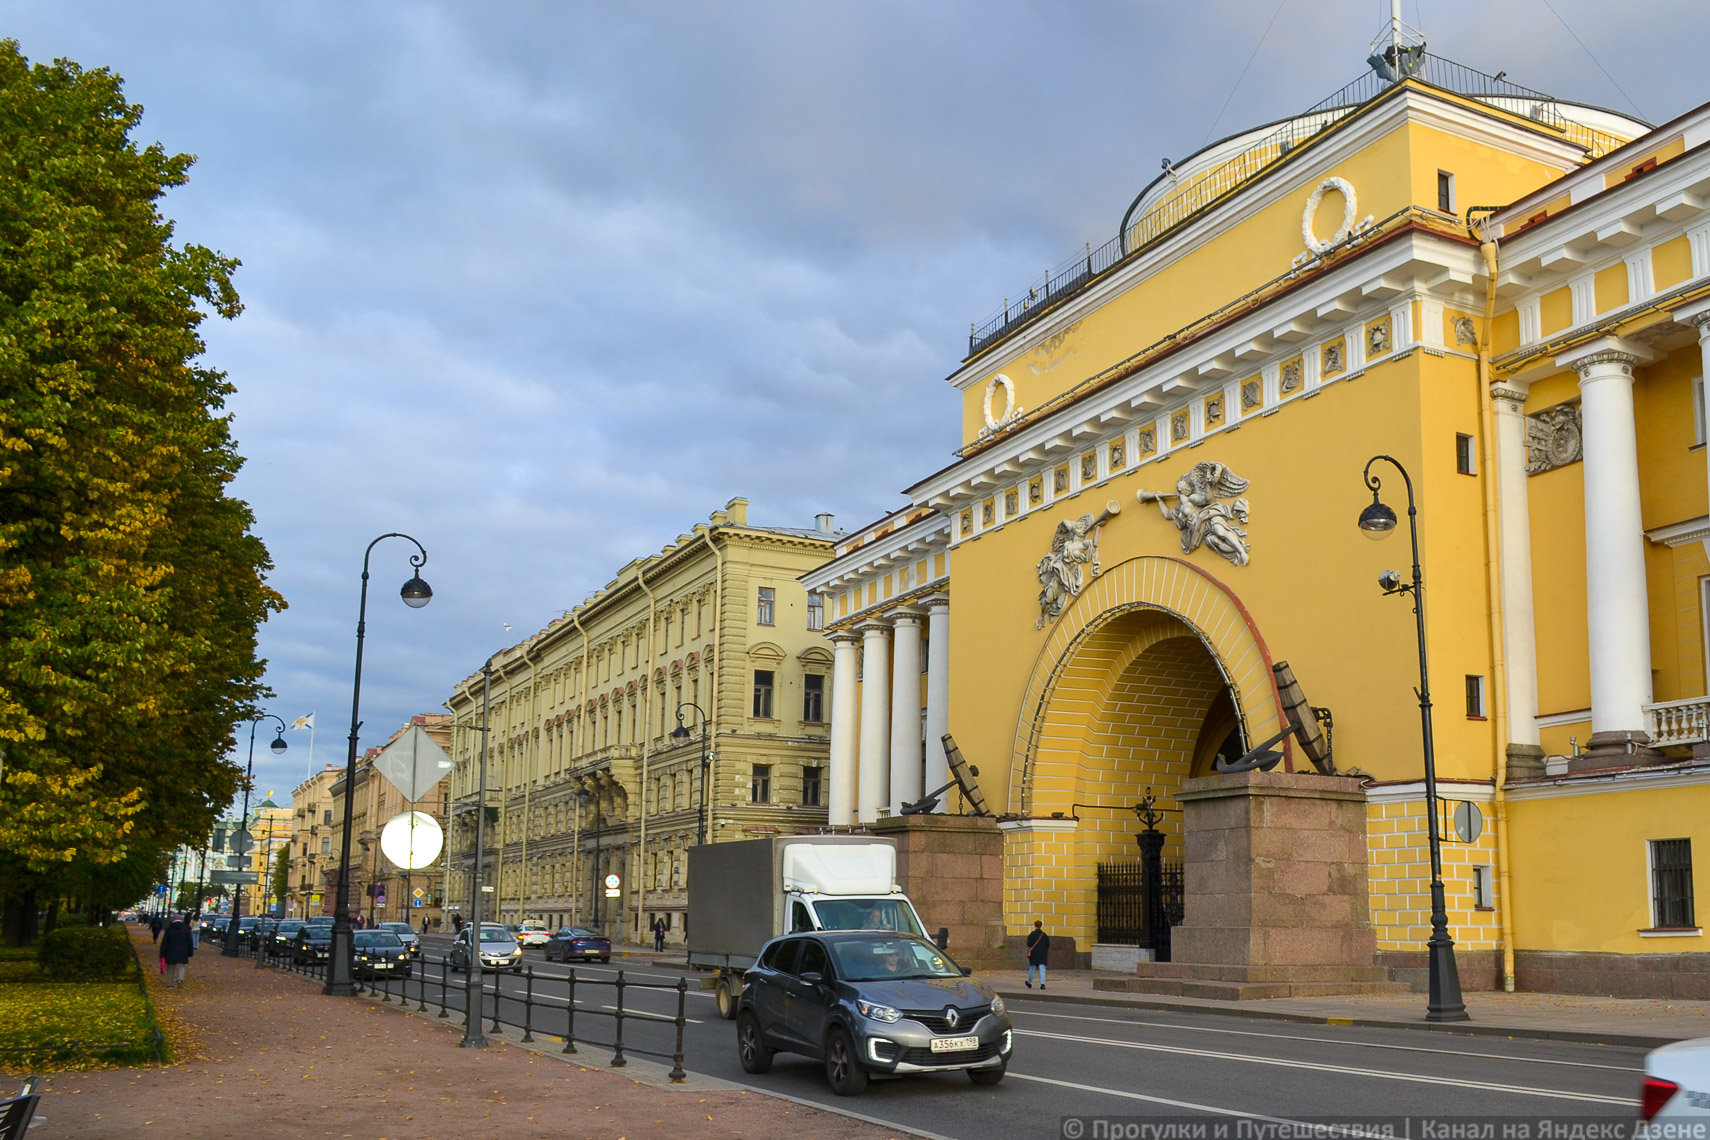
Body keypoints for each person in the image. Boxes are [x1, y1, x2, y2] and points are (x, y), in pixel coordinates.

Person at [160, 914, 194, 988]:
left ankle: (170, 984)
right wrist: (190, 952)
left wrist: (162, 954)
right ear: (181, 920)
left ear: (173, 920)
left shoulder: (169, 929)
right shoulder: (185, 929)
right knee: (181, 966)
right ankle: (180, 979)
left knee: (170, 968)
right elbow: (190, 942)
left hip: (170, 951)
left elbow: (164, 943)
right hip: (182, 951)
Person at [1025, 919, 1050, 990]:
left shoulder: (1032, 934)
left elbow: (1029, 944)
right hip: (1042, 954)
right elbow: (1048, 945)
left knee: (1032, 968)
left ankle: (1029, 983)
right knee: (1042, 968)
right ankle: (1043, 984)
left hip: (1034, 954)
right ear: (1041, 926)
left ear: (1034, 926)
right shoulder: (1045, 935)